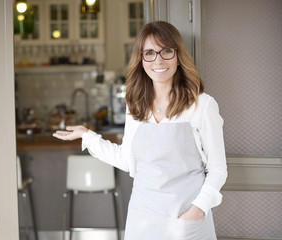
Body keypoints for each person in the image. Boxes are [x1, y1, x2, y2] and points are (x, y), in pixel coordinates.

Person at [53, 21, 227, 240]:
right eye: (149, 53)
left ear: (178, 55)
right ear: (141, 59)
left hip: (185, 218)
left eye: (167, 51)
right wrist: (87, 136)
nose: (159, 60)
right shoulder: (135, 105)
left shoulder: (202, 105)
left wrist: (198, 210)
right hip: (143, 218)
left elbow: (218, 169)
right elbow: (128, 160)